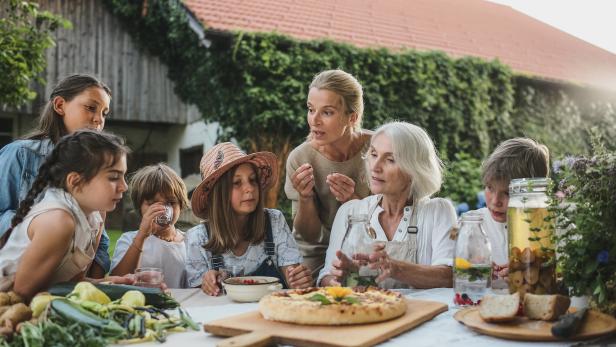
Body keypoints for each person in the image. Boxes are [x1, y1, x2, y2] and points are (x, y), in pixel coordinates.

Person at [318, 121, 457, 289]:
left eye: (390, 159)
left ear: (414, 169)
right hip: (366, 312)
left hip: (422, 314)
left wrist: (396, 268)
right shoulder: (350, 211)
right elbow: (326, 277)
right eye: (374, 154)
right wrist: (341, 279)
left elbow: (449, 277)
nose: (375, 167)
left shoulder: (438, 211)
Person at [0, 74, 113, 277]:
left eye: (104, 113)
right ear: (60, 105)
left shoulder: (92, 171)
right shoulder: (20, 155)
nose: (99, 120)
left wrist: (90, 287)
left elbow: (100, 240)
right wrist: (41, 227)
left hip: (67, 289)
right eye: (91, 107)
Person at [0, 130, 130, 299]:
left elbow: (73, 283)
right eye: (114, 177)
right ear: (75, 181)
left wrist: (118, 283)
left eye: (123, 176)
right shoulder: (58, 221)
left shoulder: (95, 217)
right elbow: (22, 293)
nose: (124, 186)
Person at [186, 142, 313, 296]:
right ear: (219, 194)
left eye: (253, 180)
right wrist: (206, 284)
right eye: (237, 183)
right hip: (223, 318)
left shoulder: (274, 221)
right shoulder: (197, 238)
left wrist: (297, 280)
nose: (249, 188)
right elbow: (195, 300)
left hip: (270, 313)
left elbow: (291, 275)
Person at [284, 69, 372, 277]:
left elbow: (392, 223)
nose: (314, 120)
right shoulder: (300, 159)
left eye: (327, 112)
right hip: (317, 254)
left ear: (352, 117)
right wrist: (305, 197)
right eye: (311, 109)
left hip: (367, 248)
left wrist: (353, 202)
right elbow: (309, 236)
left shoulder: (377, 149)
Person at [469, 138, 550, 281]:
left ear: (534, 192)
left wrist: (534, 269)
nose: (495, 201)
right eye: (490, 188)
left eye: (508, 193)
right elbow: (452, 269)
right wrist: (473, 269)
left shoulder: (554, 228)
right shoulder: (470, 224)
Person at [110, 164, 190, 288]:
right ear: (139, 207)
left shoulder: (189, 242)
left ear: (181, 205)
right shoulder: (130, 240)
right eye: (152, 203)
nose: (162, 209)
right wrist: (141, 236)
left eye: (170, 203)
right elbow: (117, 280)